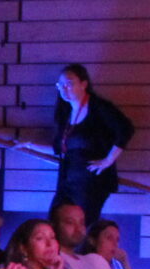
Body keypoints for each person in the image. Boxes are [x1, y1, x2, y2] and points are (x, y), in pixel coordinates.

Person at [48, 63, 131, 219]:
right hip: (68, 178)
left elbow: (125, 129)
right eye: (60, 85)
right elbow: (61, 148)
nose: (64, 89)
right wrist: (29, 145)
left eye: (69, 84)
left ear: (84, 84)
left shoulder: (99, 107)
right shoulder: (64, 113)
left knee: (82, 223)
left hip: (90, 182)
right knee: (56, 219)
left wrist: (108, 160)